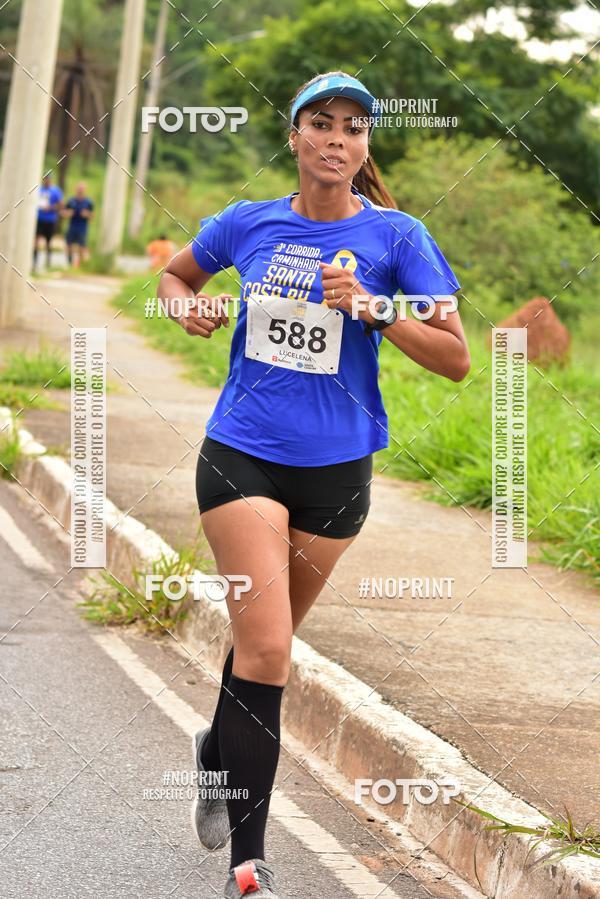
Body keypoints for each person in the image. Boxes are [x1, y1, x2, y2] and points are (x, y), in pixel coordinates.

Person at [158, 71, 470, 899]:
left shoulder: (399, 237)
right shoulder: (246, 222)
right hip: (243, 454)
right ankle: (249, 864)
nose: (338, 138)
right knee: (267, 647)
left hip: (339, 473)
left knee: (262, 640)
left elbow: (456, 358)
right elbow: (177, 277)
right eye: (322, 123)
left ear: (366, 146)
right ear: (294, 137)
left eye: (355, 127)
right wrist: (183, 306)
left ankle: (217, 754)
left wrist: (373, 308)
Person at [33, 174, 63, 272]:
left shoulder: (55, 191)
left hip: (50, 220)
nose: (46, 181)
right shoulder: (39, 190)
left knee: (48, 241)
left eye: (48, 179)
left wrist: (51, 208)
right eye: (45, 179)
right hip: (39, 219)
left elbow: (60, 205)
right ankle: (34, 262)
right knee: (36, 241)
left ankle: (48, 262)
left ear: (50, 180)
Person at [63, 182, 94, 267]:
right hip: (72, 226)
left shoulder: (88, 202)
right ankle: (70, 263)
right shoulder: (71, 200)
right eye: (79, 189)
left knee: (81, 247)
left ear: (85, 190)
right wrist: (68, 213)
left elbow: (92, 216)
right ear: (76, 190)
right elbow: (63, 212)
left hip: (82, 227)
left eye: (82, 189)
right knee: (69, 245)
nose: (80, 191)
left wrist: (87, 214)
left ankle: (80, 265)